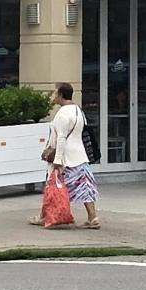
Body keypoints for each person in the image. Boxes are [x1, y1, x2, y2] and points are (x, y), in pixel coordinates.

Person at [48, 82, 98, 229]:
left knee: (53, 188)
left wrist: (57, 159)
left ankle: (47, 216)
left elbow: (61, 138)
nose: (54, 96)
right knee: (84, 187)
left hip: (66, 158)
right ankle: (92, 216)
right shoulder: (78, 111)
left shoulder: (62, 114)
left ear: (61, 95)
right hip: (80, 155)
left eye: (55, 93)